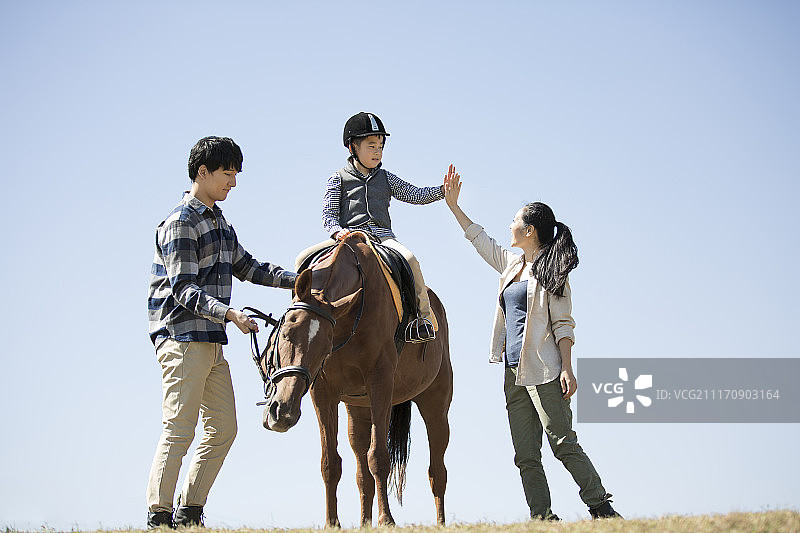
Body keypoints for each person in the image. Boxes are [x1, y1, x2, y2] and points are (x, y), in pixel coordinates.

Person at [443, 165, 622, 521]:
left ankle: (601, 506)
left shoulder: (552, 271)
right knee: (525, 453)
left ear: (529, 230)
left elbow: (563, 325)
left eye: (514, 221)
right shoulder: (511, 264)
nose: (508, 225)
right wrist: (453, 206)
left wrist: (568, 369)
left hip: (545, 370)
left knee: (562, 443)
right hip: (513, 372)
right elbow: (481, 240)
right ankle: (542, 517)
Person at [146, 136, 298, 529]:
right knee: (179, 429)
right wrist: (229, 314)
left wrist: (301, 282)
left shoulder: (219, 222)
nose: (234, 182)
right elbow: (183, 289)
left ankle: (189, 511)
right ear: (203, 172)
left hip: (211, 342)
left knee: (224, 429)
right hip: (181, 340)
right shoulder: (181, 221)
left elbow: (249, 267)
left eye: (235, 174)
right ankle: (158, 515)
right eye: (227, 173)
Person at [295, 111, 446, 343]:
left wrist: (443, 191)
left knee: (411, 259)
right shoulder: (338, 179)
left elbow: (415, 194)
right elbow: (329, 216)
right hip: (348, 238)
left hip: (382, 239)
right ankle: (298, 314)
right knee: (301, 258)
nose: (377, 151)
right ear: (352, 148)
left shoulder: (387, 178)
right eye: (371, 145)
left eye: (381, 146)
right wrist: (338, 232)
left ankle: (422, 319)